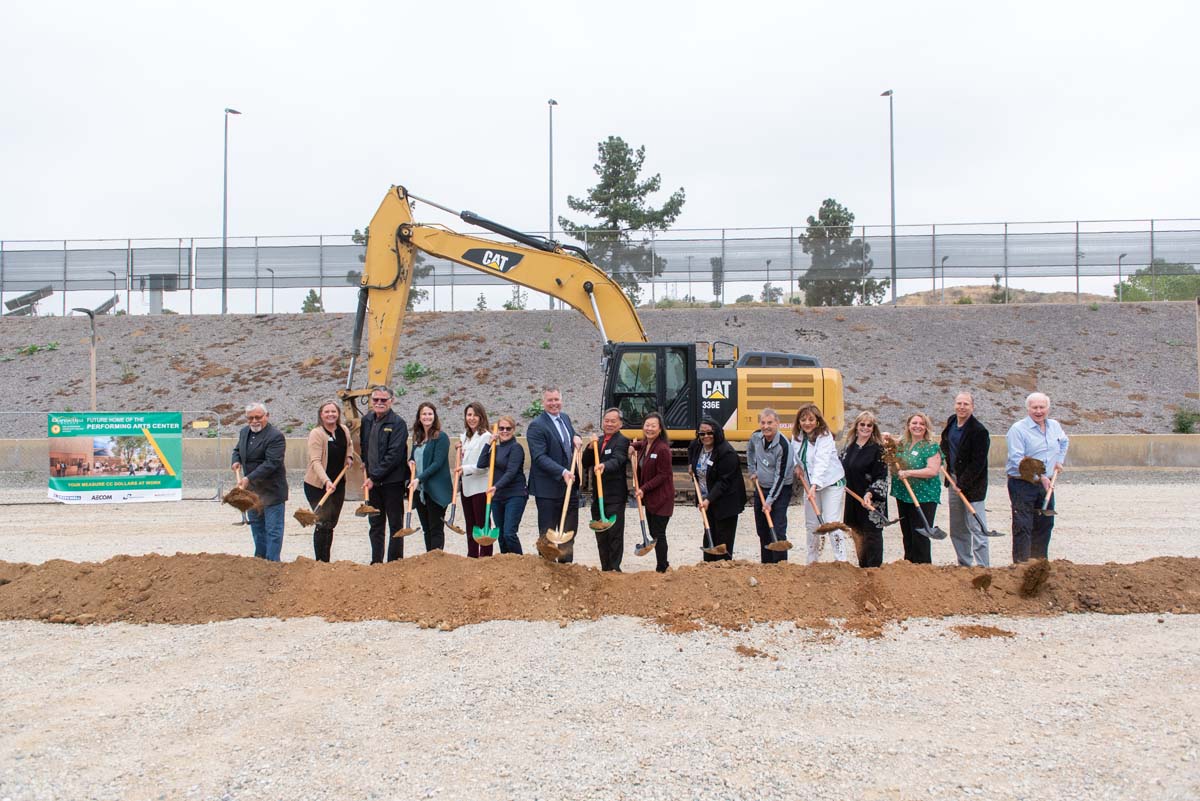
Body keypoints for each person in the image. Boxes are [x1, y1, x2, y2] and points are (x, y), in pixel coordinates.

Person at [1006, 391, 1069, 563]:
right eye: (1035, 407)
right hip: (1022, 483)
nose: (1039, 411)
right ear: (1028, 409)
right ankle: (1022, 565)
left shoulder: (1054, 426)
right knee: (1023, 525)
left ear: (1048, 408)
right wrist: (1040, 477)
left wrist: (1059, 461)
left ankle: (1039, 564)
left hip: (1046, 484)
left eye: (1042, 407)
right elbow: (1017, 460)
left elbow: (1064, 442)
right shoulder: (1018, 429)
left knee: (1045, 524)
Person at [526, 387, 582, 563]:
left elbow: (569, 437)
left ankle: (565, 568)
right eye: (550, 400)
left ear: (561, 400)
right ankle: (547, 569)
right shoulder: (537, 426)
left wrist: (577, 436)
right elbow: (539, 457)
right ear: (543, 403)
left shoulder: (564, 418)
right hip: (548, 490)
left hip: (569, 487)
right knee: (548, 535)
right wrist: (562, 471)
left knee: (568, 533)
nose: (554, 403)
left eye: (556, 399)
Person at [230, 402, 288, 562]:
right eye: (250, 418)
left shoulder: (275, 436)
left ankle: (273, 562)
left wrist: (248, 478)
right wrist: (235, 460)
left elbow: (272, 463)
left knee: (273, 530)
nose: (254, 421)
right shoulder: (244, 432)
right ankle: (259, 561)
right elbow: (237, 450)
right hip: (252, 492)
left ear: (266, 416)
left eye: (258, 417)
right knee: (257, 527)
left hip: (272, 491)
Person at [940, 392, 991, 567]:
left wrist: (962, 483)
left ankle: (983, 566)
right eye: (959, 403)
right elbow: (945, 444)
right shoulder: (952, 421)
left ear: (972, 407)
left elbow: (978, 462)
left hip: (973, 484)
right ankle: (964, 563)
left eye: (966, 404)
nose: (962, 407)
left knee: (977, 525)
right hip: (953, 479)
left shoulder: (979, 431)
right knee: (958, 526)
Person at [360, 385, 410, 563]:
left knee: (395, 524)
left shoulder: (398, 424)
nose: (379, 403)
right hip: (373, 483)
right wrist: (365, 464)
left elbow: (394, 455)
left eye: (383, 400)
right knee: (375, 524)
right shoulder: (367, 420)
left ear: (391, 401)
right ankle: (376, 562)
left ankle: (394, 562)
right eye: (376, 399)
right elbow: (364, 446)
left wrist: (374, 477)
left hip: (392, 483)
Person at [793, 403, 847, 564]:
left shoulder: (825, 436)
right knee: (811, 524)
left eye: (811, 419)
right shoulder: (797, 437)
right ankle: (812, 561)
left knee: (831, 522)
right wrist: (796, 466)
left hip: (831, 483)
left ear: (817, 421)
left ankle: (841, 560)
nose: (807, 423)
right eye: (803, 420)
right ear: (798, 422)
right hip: (810, 483)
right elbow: (795, 456)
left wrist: (815, 485)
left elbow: (821, 462)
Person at [303, 400, 354, 562]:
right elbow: (315, 461)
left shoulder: (343, 430)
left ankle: (326, 562)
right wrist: (326, 481)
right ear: (321, 415)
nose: (330, 414)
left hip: (338, 483)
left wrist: (349, 457)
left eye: (333, 411)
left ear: (338, 414)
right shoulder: (316, 433)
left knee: (331, 522)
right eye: (327, 412)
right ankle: (321, 562)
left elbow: (349, 444)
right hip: (317, 485)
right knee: (322, 522)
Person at [688, 417, 745, 561]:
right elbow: (691, 451)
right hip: (707, 501)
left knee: (722, 538)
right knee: (709, 534)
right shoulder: (697, 445)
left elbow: (724, 482)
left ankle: (723, 568)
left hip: (726, 502)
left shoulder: (726, 452)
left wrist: (708, 500)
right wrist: (691, 465)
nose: (705, 436)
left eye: (709, 433)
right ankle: (708, 566)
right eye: (702, 433)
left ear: (717, 432)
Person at [888, 412, 943, 564]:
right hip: (904, 495)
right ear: (908, 426)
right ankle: (909, 566)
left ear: (926, 427)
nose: (918, 426)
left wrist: (909, 473)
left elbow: (932, 471)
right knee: (907, 534)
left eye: (922, 424)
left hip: (924, 497)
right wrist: (887, 438)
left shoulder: (931, 447)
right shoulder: (903, 444)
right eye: (914, 423)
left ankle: (923, 568)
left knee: (920, 535)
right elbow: (890, 447)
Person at [581, 408, 630, 572]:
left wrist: (604, 465)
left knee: (614, 533)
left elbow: (618, 459)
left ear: (620, 424)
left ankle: (615, 568)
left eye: (613, 421)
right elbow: (586, 462)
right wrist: (590, 448)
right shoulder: (599, 441)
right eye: (606, 421)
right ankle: (605, 568)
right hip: (598, 495)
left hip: (614, 495)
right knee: (600, 533)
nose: (609, 424)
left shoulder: (622, 441)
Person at [840, 411, 889, 568]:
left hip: (871, 500)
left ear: (874, 428)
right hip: (853, 497)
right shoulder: (849, 447)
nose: (865, 428)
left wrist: (870, 494)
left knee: (871, 536)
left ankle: (874, 570)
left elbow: (882, 476)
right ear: (856, 426)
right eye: (862, 424)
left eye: (869, 425)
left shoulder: (878, 449)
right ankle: (862, 568)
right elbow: (839, 468)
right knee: (857, 533)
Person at [746, 408, 794, 564]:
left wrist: (770, 501)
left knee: (777, 529)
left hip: (781, 490)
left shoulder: (783, 445)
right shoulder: (756, 437)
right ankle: (767, 566)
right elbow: (750, 451)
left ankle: (780, 566)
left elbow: (780, 477)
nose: (766, 426)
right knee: (763, 530)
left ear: (777, 423)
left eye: (770, 423)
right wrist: (752, 470)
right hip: (761, 487)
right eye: (763, 422)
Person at [631, 412, 673, 572]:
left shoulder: (662, 449)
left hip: (662, 498)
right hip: (651, 499)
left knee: (659, 534)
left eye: (653, 426)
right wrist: (632, 446)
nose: (649, 428)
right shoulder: (647, 444)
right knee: (654, 532)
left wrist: (643, 488)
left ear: (660, 429)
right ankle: (662, 565)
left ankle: (662, 566)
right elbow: (640, 444)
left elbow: (663, 475)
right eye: (647, 425)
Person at [478, 414, 527, 554]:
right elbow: (481, 464)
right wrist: (488, 443)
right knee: (500, 535)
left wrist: (496, 486)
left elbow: (511, 472)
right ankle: (505, 563)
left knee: (509, 533)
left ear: (513, 430)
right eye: (501, 428)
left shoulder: (516, 448)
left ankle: (519, 561)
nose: (504, 431)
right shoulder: (496, 448)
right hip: (498, 496)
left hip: (515, 494)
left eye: (508, 428)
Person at [410, 402, 451, 553]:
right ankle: (429, 560)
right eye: (424, 414)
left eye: (430, 414)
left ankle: (437, 560)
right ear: (419, 417)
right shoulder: (418, 438)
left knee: (436, 528)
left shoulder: (441, 437)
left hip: (436, 490)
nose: (427, 417)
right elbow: (413, 457)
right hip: (420, 490)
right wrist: (410, 461)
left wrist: (419, 478)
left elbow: (437, 463)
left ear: (434, 416)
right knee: (426, 529)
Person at [456, 402, 494, 558]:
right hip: (467, 487)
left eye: (475, 415)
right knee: (470, 524)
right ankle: (472, 555)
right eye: (469, 415)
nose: (471, 418)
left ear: (481, 417)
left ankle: (485, 556)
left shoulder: (486, 437)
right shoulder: (465, 437)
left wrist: (464, 469)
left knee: (482, 524)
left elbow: (483, 466)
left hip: (480, 487)